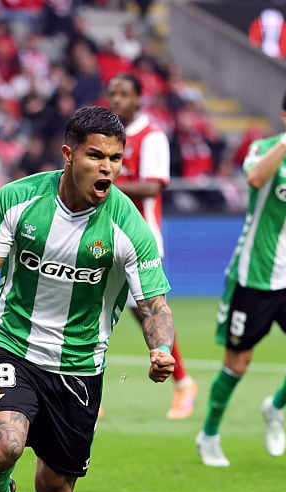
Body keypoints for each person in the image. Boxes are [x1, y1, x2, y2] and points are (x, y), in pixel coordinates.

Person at [0, 106, 177, 492]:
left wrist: (159, 347)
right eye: (96, 155)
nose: (108, 168)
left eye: (117, 159)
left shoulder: (128, 227)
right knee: (1, 445)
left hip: (79, 368)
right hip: (13, 344)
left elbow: (155, 306)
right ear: (69, 154)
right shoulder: (17, 199)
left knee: (55, 491)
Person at [195, 80, 286, 468]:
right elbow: (256, 179)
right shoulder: (265, 150)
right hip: (253, 275)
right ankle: (208, 434)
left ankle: (274, 407)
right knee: (237, 364)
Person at [106, 72, 198, 420]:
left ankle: (184, 382)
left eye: (124, 93)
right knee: (88, 310)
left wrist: (102, 186)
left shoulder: (152, 135)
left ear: (139, 99)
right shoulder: (105, 136)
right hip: (102, 238)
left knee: (150, 313)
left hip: (140, 239)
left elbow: (153, 187)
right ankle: (84, 394)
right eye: (112, 92)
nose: (116, 99)